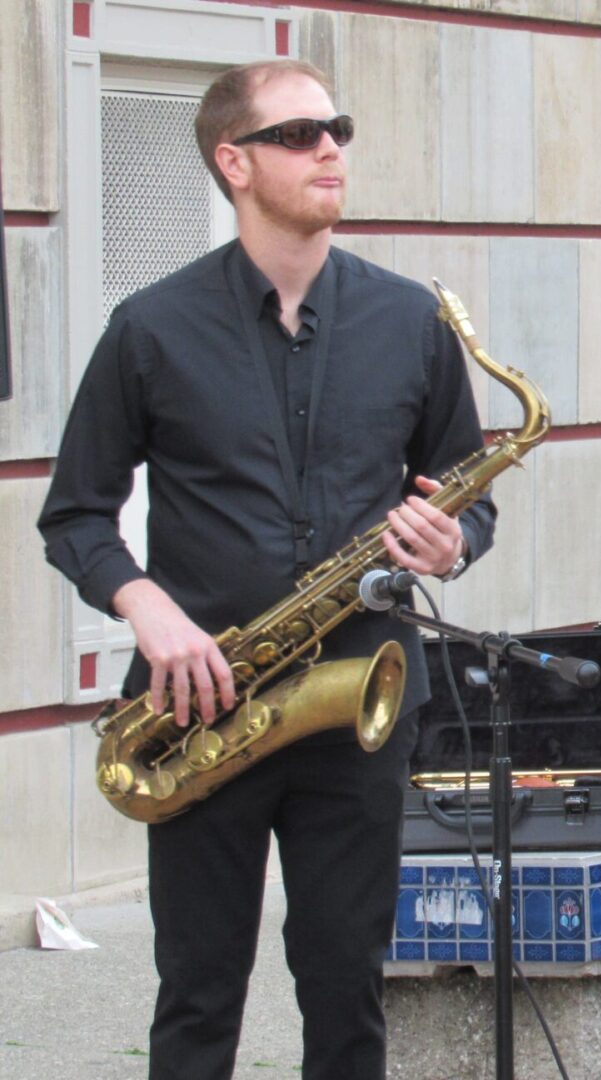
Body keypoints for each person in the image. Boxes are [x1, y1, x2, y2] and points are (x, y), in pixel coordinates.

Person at [37, 59, 495, 1080]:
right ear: (232, 162)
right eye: (298, 134)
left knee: (347, 988)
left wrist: (453, 542)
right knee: (198, 994)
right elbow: (73, 515)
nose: (329, 147)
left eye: (337, 126)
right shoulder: (149, 329)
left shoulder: (412, 320)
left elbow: (468, 496)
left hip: (358, 703)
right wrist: (142, 603)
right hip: (200, 705)